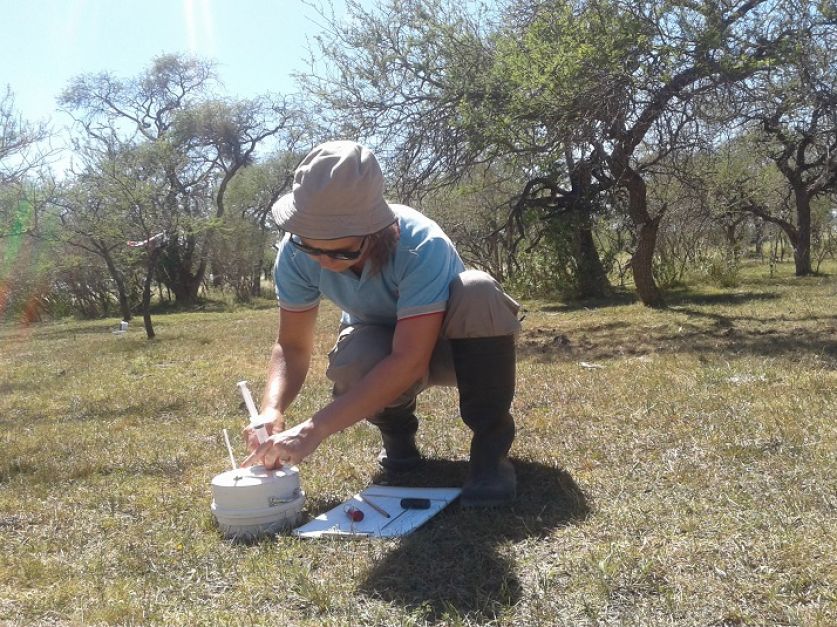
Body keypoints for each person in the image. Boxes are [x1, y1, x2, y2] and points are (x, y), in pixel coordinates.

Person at [242, 140, 521, 507]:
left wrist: (313, 430)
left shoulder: (422, 245)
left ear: (375, 231)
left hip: (456, 349)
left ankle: (490, 453)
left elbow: (410, 359)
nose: (323, 261)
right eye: (312, 247)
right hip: (386, 345)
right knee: (355, 356)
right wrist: (271, 408)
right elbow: (292, 346)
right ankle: (398, 437)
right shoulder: (294, 253)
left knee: (478, 289)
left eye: (341, 251)